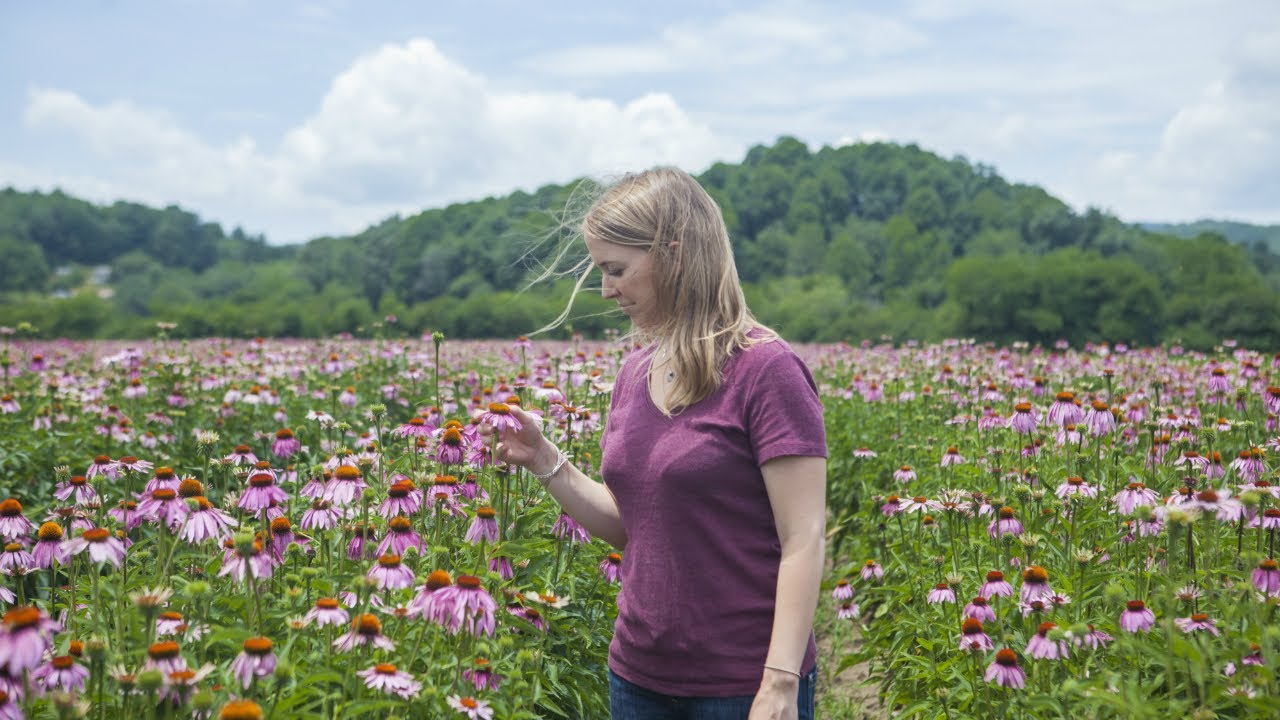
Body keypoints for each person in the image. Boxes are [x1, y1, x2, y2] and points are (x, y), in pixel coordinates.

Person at [491, 167, 827, 720]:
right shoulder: (635, 373)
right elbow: (633, 527)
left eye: (616, 269)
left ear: (674, 255)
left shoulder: (767, 370)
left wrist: (780, 682)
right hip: (638, 675)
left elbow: (804, 537)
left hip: (741, 683)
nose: (606, 290)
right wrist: (545, 458)